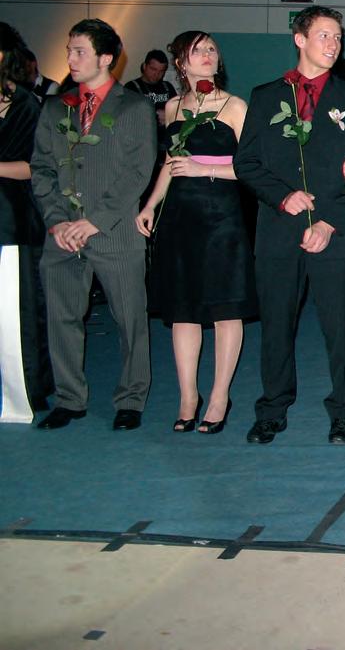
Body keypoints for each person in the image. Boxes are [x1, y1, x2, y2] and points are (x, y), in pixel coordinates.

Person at [234, 6, 345, 445]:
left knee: (340, 327)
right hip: (278, 230)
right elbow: (246, 162)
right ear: (300, 39)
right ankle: (272, 409)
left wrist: (329, 222)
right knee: (276, 325)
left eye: (338, 37)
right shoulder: (265, 97)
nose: (333, 44)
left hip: (336, 230)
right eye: (324, 36)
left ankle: (343, 412)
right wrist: (283, 196)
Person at [29, 19, 157, 431]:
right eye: (69, 50)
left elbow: (138, 173)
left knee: (130, 321)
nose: (70, 58)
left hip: (114, 233)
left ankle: (131, 399)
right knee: (61, 319)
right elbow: (41, 168)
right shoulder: (56, 107)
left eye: (79, 51)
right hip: (63, 235)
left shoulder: (134, 107)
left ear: (106, 58)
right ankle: (69, 398)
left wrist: (94, 221)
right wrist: (56, 221)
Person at [135, 31, 256, 434]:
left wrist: (205, 168)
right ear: (181, 63)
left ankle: (220, 395)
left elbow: (252, 168)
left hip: (221, 216)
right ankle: (188, 395)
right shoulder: (172, 107)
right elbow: (171, 164)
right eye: (197, 50)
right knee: (183, 310)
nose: (207, 55)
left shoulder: (234, 106)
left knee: (225, 309)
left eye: (211, 50)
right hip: (180, 215)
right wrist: (151, 205)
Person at [0, 24, 53, 422]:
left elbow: (37, 168)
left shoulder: (26, 106)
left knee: (20, 313)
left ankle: (28, 391)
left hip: (12, 220)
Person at [124, 49, 179, 127]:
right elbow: (127, 116)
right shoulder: (131, 87)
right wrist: (155, 115)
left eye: (161, 71)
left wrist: (169, 115)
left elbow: (178, 110)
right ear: (144, 66)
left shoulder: (168, 87)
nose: (157, 74)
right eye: (153, 69)